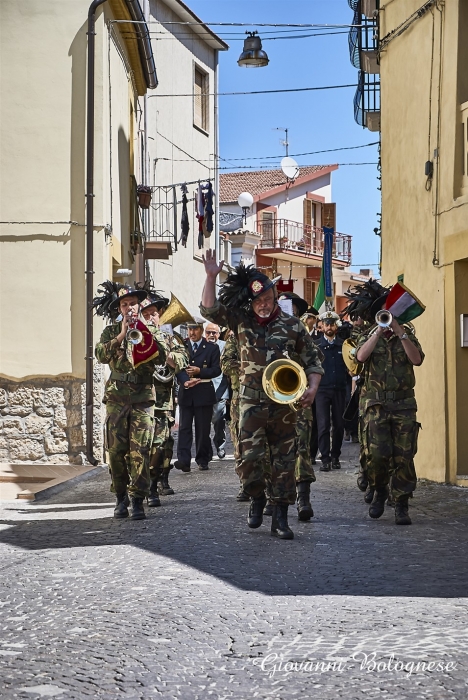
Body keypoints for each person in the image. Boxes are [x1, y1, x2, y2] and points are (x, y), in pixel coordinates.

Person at [200, 252, 323, 540]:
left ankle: (280, 517)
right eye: (257, 301)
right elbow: (209, 309)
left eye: (267, 299)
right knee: (250, 460)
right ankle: (257, 498)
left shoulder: (293, 325)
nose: (263, 305)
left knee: (284, 462)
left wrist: (313, 388)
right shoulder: (241, 320)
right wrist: (210, 276)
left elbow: (314, 362)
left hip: (285, 405)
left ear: (274, 294)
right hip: (251, 403)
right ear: (251, 302)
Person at [94, 284, 168, 521]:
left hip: (143, 398)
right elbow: (100, 355)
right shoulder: (110, 331)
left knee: (141, 451)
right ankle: (120, 496)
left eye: (132, 304)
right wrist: (121, 335)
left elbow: (164, 357)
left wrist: (146, 333)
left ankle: (138, 499)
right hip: (116, 398)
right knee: (115, 451)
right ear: (119, 309)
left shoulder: (151, 330)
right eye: (124, 305)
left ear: (139, 306)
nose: (129, 308)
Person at [355, 290, 424, 525]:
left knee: (404, 457)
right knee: (376, 455)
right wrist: (377, 331)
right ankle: (379, 489)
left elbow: (416, 360)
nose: (389, 315)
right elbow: (360, 357)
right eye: (385, 312)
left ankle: (402, 503)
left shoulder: (407, 335)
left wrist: (399, 331)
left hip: (403, 405)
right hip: (375, 405)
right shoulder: (367, 335)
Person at [140, 294, 189, 506]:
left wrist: (164, 352)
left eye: (155, 314)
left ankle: (153, 486)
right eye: (147, 315)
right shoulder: (135, 336)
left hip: (162, 404)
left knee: (159, 446)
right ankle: (138, 487)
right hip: (140, 400)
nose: (152, 318)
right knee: (140, 447)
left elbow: (183, 359)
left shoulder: (170, 338)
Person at [174, 318, 221, 472]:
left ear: (201, 330)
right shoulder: (182, 346)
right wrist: (185, 381)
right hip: (186, 392)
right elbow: (178, 368)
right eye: (189, 329)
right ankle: (184, 460)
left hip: (203, 392)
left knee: (202, 429)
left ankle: (202, 458)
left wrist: (200, 371)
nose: (192, 333)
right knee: (184, 428)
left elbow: (217, 370)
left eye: (195, 329)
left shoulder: (211, 348)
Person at [315, 311, 349, 472]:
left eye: (332, 324)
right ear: (321, 326)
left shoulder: (344, 345)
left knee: (339, 425)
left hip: (339, 389)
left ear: (337, 326)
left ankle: (335, 456)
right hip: (321, 390)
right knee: (322, 425)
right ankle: (325, 459)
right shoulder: (316, 346)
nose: (329, 327)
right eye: (326, 324)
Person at [220, 332, 250, 501]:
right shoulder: (235, 337)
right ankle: (245, 483)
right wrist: (247, 366)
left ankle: (268, 486)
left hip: (268, 394)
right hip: (240, 395)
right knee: (240, 441)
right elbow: (224, 363)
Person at [204, 323, 229, 460]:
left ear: (219, 334)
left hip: (220, 390)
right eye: (209, 332)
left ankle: (220, 446)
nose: (211, 335)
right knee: (204, 423)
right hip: (203, 390)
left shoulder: (225, 346)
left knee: (219, 421)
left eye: (214, 332)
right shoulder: (201, 345)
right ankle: (207, 451)